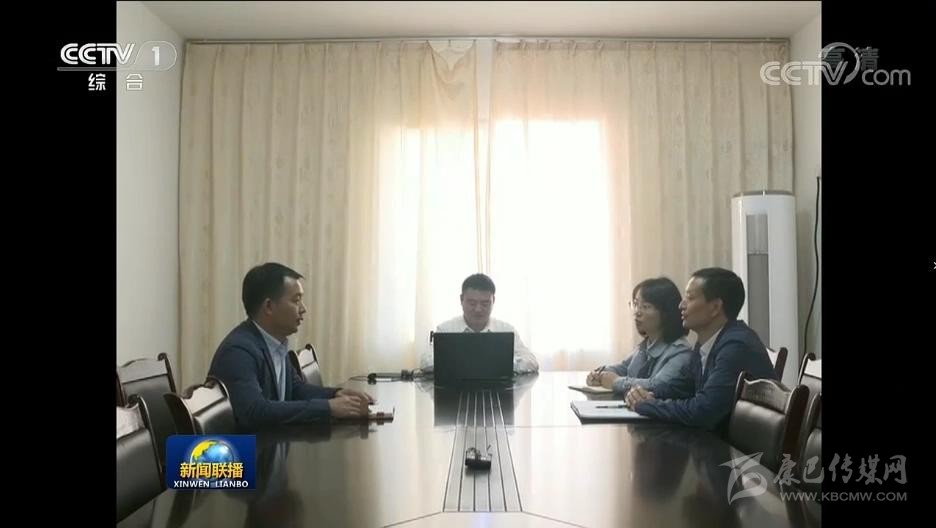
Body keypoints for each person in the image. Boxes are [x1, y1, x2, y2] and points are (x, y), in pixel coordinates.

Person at [208, 262, 374, 430]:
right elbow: (255, 412)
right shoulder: (238, 352)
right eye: (296, 300)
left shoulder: (274, 342)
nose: (303, 309)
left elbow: (295, 390)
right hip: (241, 447)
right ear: (269, 306)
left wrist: (336, 394)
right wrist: (328, 408)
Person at [626, 267, 776, 433]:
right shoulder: (706, 343)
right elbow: (680, 386)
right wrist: (643, 394)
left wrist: (648, 405)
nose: (681, 305)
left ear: (715, 307)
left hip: (732, 448)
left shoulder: (736, 346)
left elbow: (703, 411)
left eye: (689, 298)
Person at [585, 277, 693, 399]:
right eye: (636, 305)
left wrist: (616, 382)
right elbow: (624, 368)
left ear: (666, 312)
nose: (637, 312)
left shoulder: (681, 352)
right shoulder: (646, 345)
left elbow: (657, 385)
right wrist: (600, 374)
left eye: (646, 306)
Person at [420, 273, 539, 375]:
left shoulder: (506, 329)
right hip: (455, 389)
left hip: (499, 389)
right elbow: (426, 362)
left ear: (493, 301)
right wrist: (474, 363)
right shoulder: (446, 329)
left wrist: (505, 364)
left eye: (485, 304)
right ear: (461, 300)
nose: (478, 309)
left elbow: (532, 362)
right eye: (472, 303)